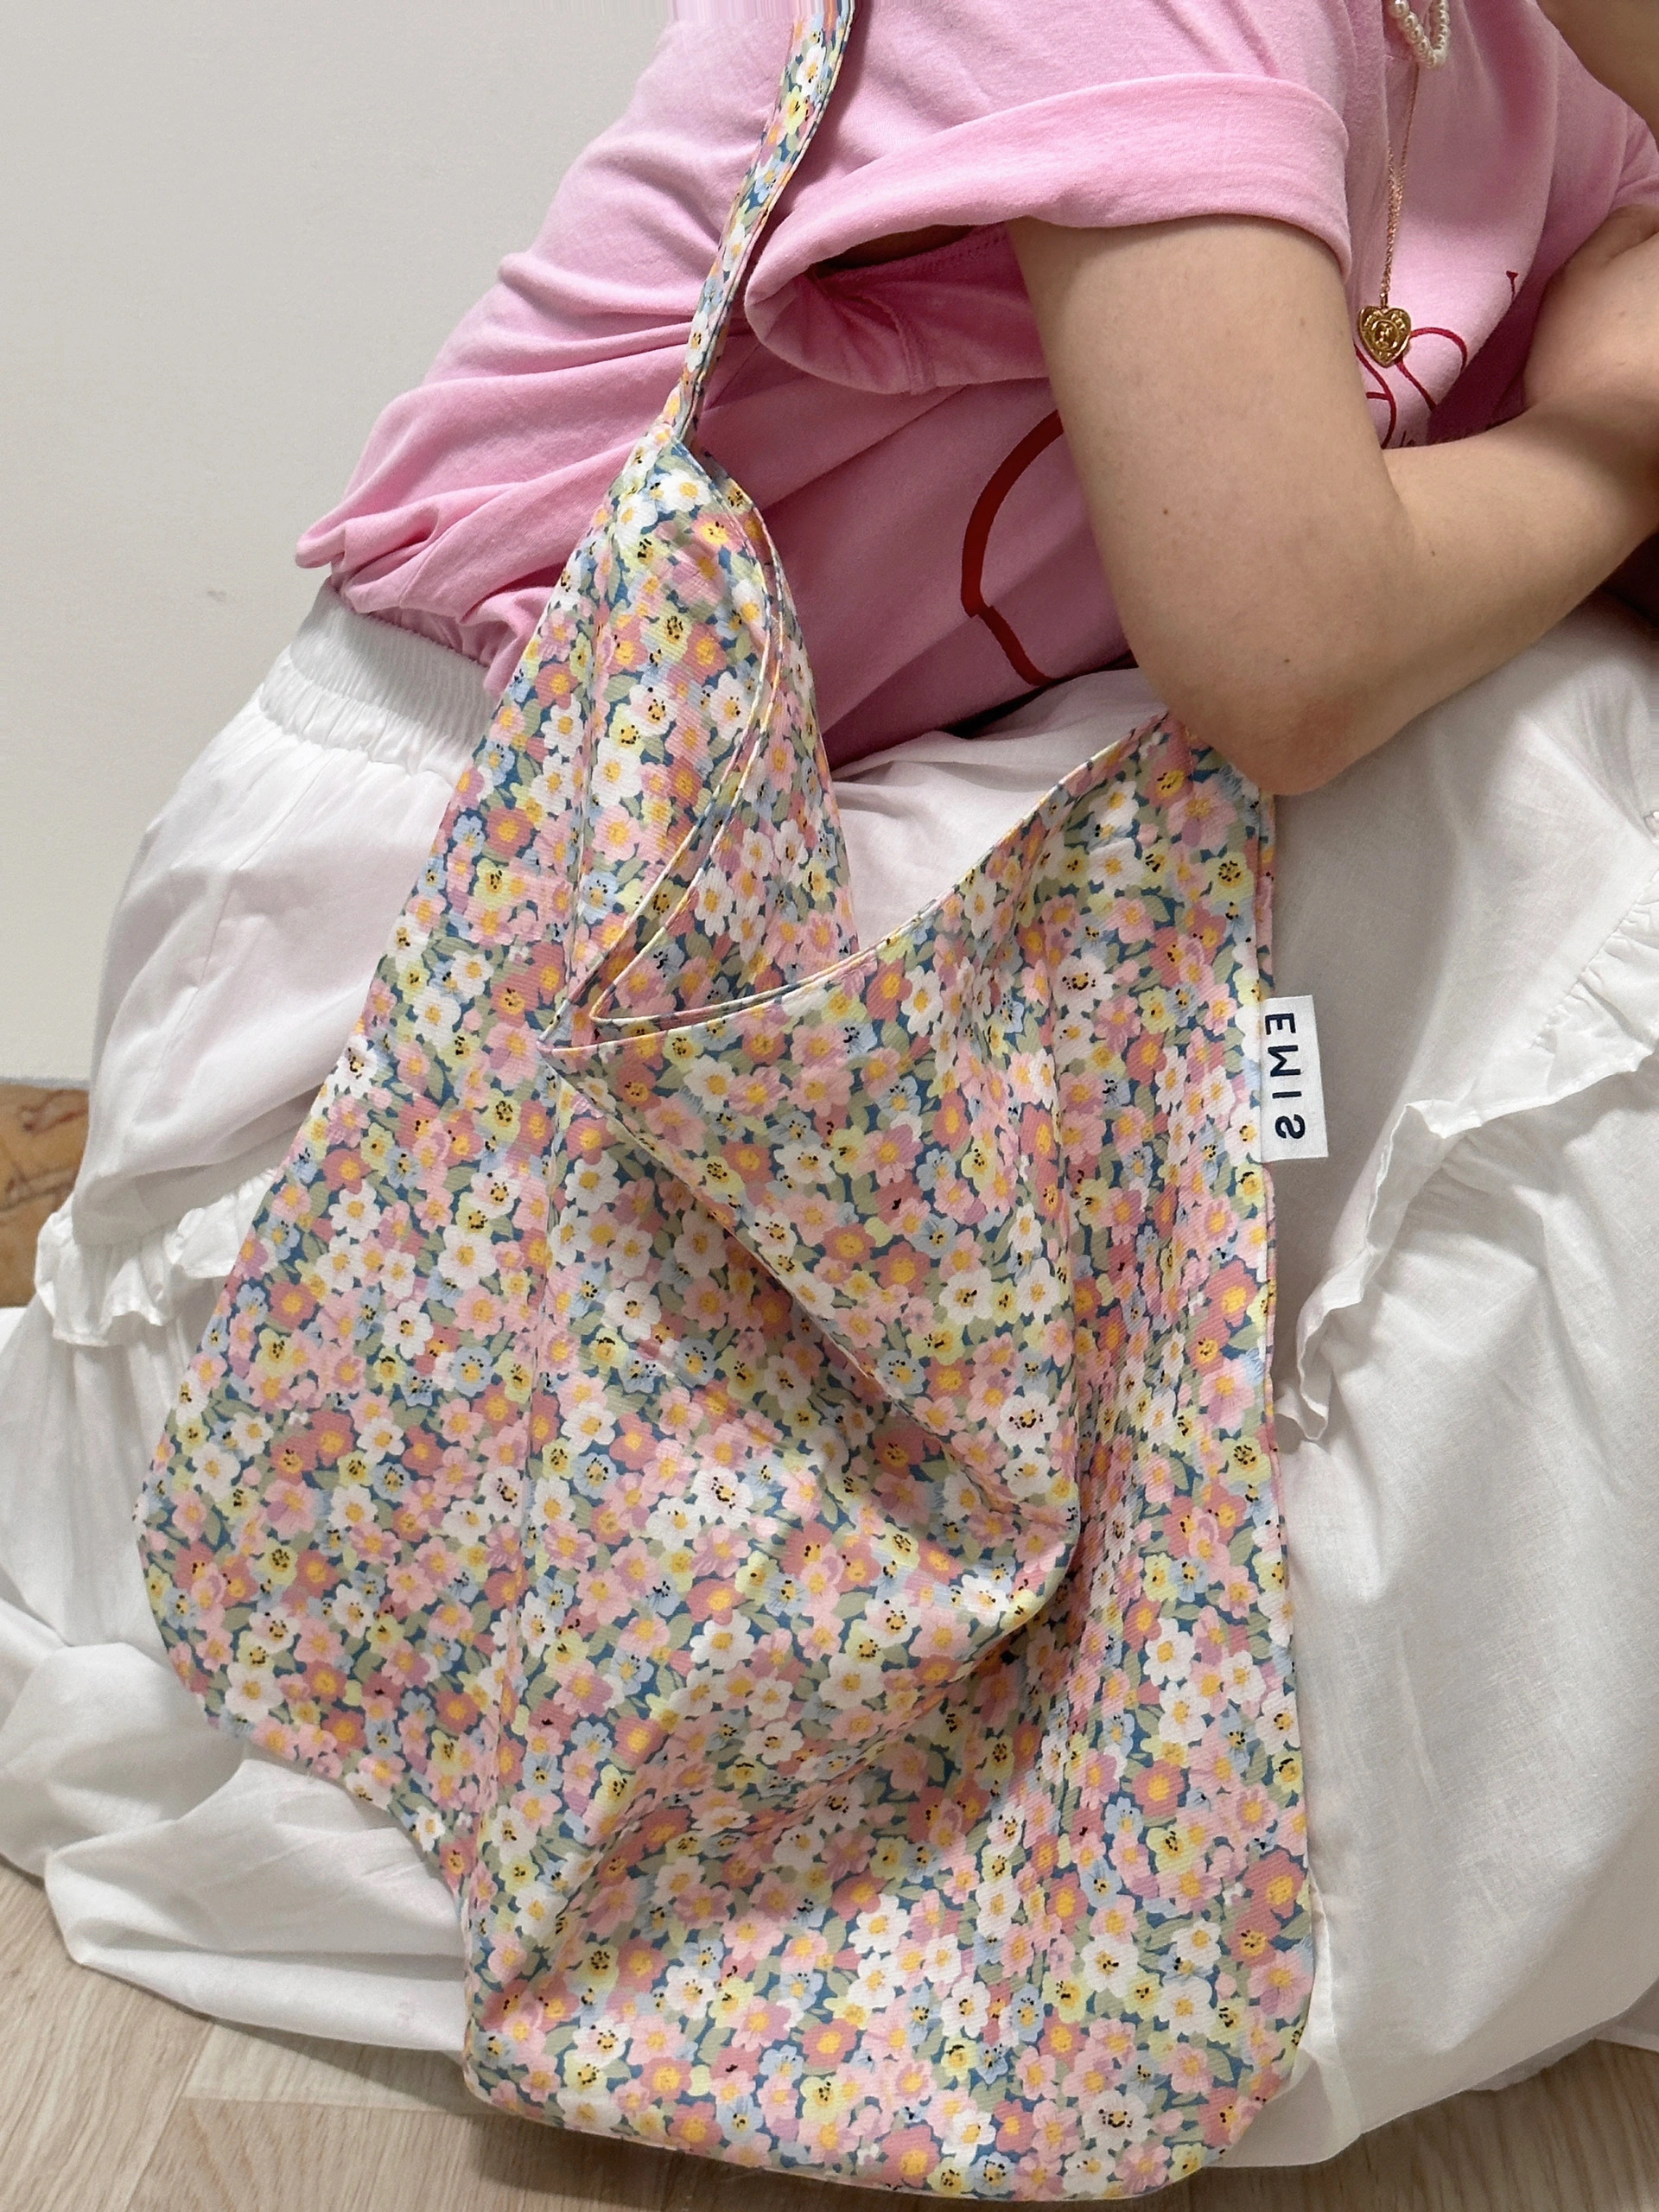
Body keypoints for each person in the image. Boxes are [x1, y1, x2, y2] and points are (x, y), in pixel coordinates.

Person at [3, 0, 1659, 2182]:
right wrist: (1618, 433)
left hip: (880, 871)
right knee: (1551, 778)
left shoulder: (1549, 81)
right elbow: (1287, 642)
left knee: (1551, 728)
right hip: (488, 927)